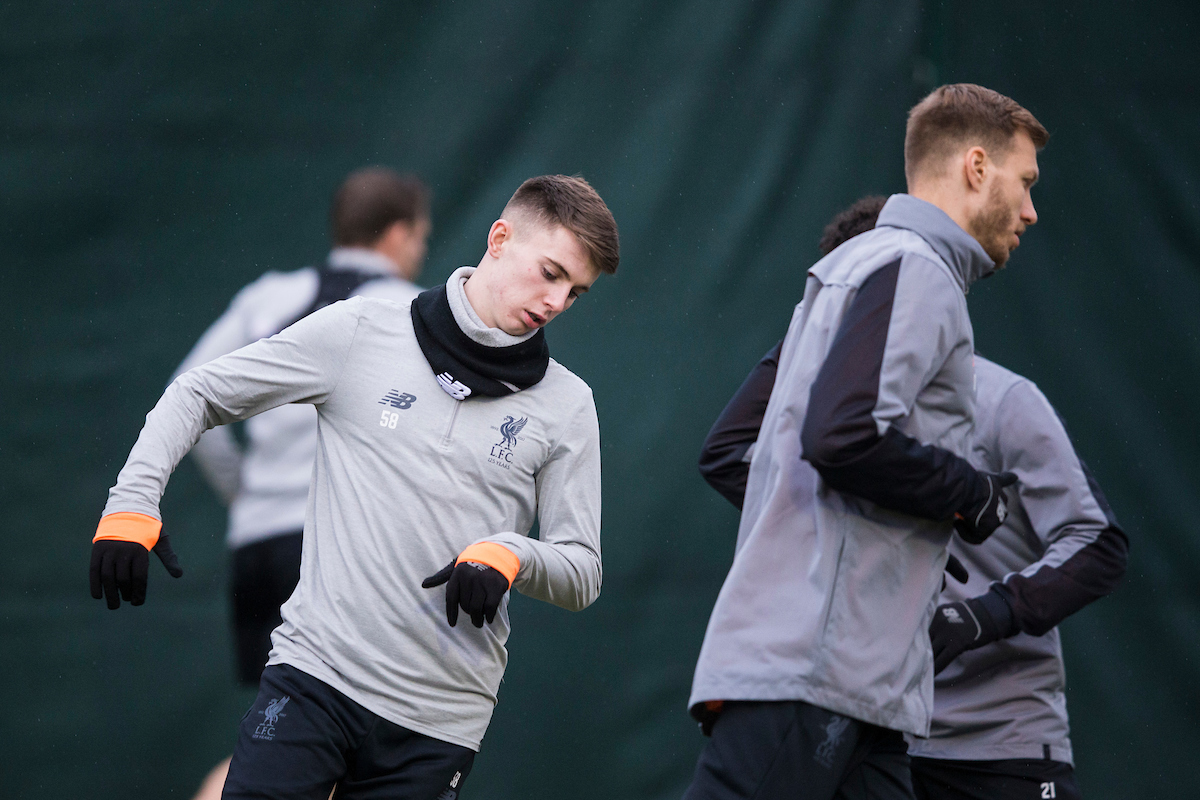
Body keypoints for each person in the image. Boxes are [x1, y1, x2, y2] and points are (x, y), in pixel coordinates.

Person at [88, 174, 619, 800]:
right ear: (499, 238)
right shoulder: (364, 328)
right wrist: (131, 502)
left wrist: (511, 554)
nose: (557, 301)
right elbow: (198, 392)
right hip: (315, 677)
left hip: (440, 722)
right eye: (550, 272)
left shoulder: (569, 404)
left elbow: (581, 571)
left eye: (576, 292)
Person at [681, 84, 1048, 800]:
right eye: (1026, 181)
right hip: (817, 664)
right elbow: (842, 436)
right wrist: (968, 492)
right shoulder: (915, 267)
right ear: (977, 166)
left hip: (860, 681)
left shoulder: (857, 268)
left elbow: (743, 449)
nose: (1032, 209)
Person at [700, 198, 1129, 800]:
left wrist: (983, 614)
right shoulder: (831, 414)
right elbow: (726, 454)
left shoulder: (1002, 399)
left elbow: (1101, 544)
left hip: (996, 742)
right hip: (878, 713)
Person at [178, 166, 432, 689]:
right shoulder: (413, 310)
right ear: (398, 234)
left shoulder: (268, 296)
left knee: (269, 742)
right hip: (341, 556)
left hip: (257, 546)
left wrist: (247, 492)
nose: (419, 252)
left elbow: (189, 390)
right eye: (420, 239)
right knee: (345, 743)